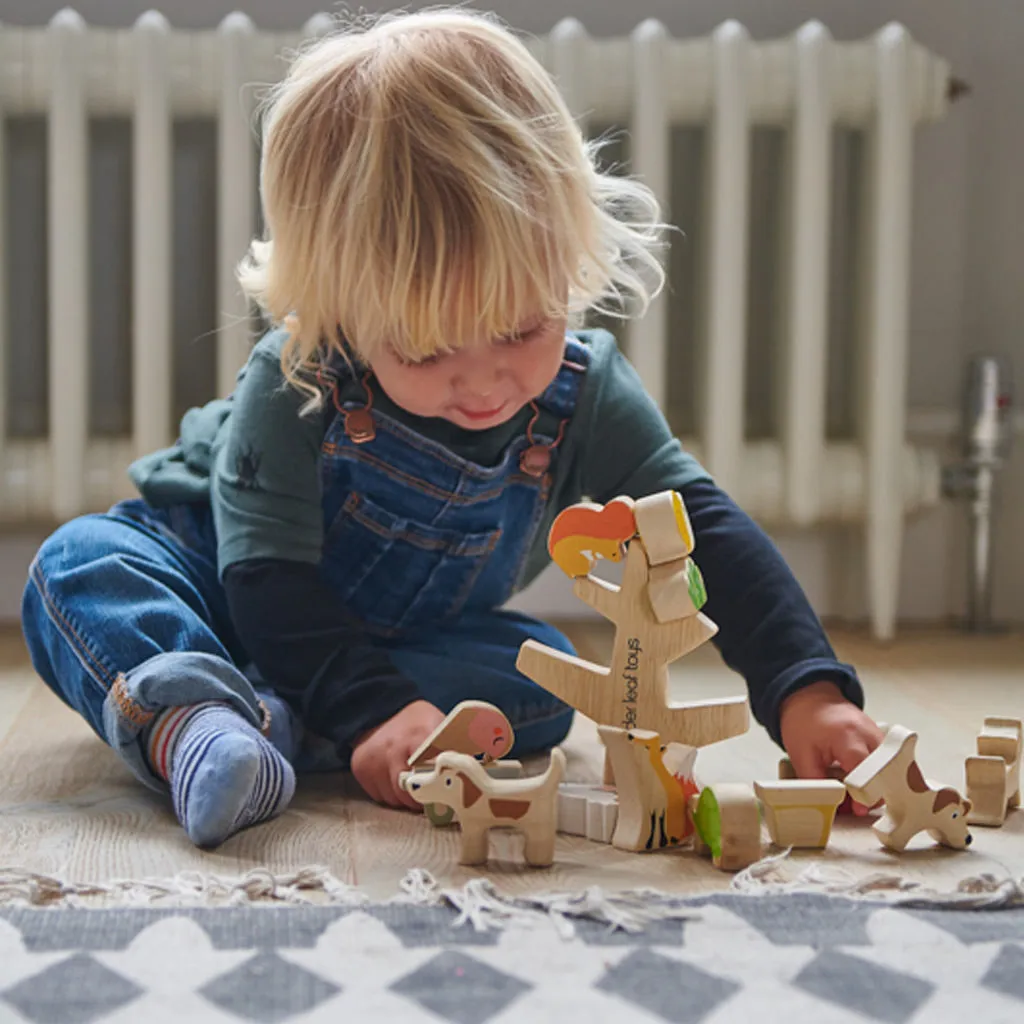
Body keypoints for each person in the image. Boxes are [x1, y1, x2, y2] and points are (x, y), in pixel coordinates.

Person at [21, 7, 883, 850]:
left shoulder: (586, 395)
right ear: (342, 305)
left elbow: (702, 536)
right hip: (221, 584)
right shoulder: (300, 379)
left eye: (521, 329)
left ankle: (274, 724)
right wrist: (373, 709)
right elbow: (267, 581)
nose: (483, 381)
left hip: (394, 645)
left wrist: (807, 691)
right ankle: (195, 724)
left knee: (544, 680)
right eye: (425, 347)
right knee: (78, 569)